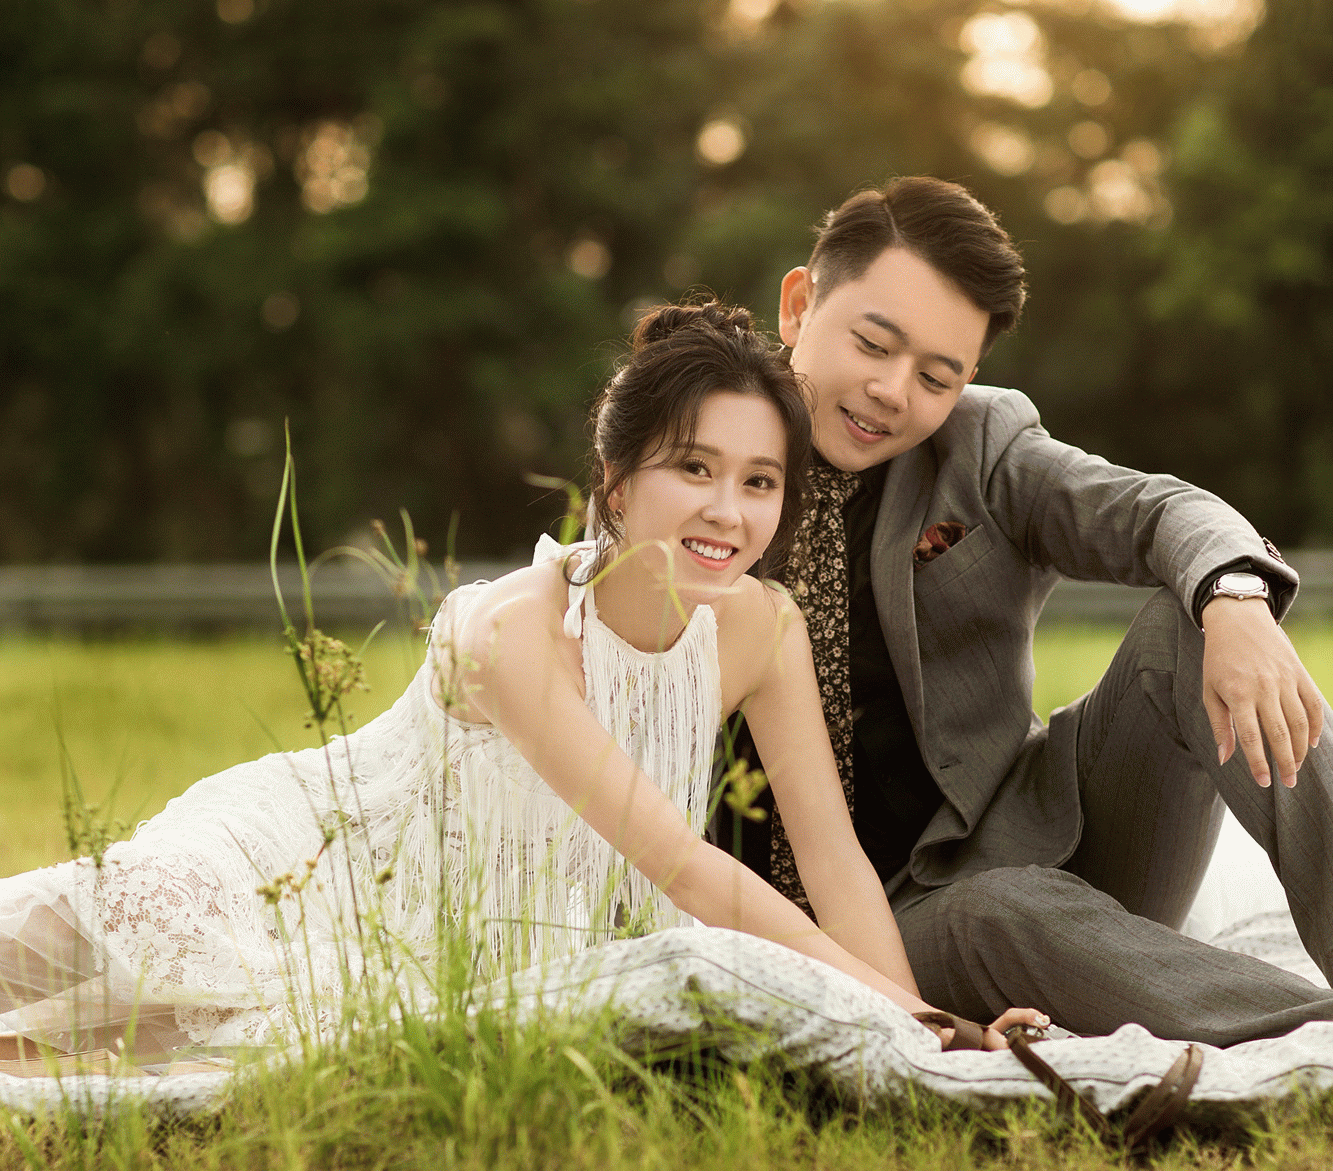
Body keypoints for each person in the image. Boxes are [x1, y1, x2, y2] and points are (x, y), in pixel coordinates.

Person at [0, 302, 1043, 1072]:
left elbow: (833, 859)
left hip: (483, 944)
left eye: (759, 481)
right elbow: (682, 867)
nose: (728, 512)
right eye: (693, 468)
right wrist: (928, 1026)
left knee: (104, 1056)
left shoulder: (761, 627)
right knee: (71, 972)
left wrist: (919, 1025)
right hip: (301, 869)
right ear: (616, 480)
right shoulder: (517, 630)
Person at [730, 176, 1333, 1048]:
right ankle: (1308, 1038)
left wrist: (1235, 599)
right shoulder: (700, 466)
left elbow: (1156, 510)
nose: (893, 391)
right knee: (1003, 909)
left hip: (1050, 832)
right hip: (869, 929)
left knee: (1189, 627)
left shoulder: (979, 445)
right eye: (872, 344)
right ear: (798, 305)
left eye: (935, 376)